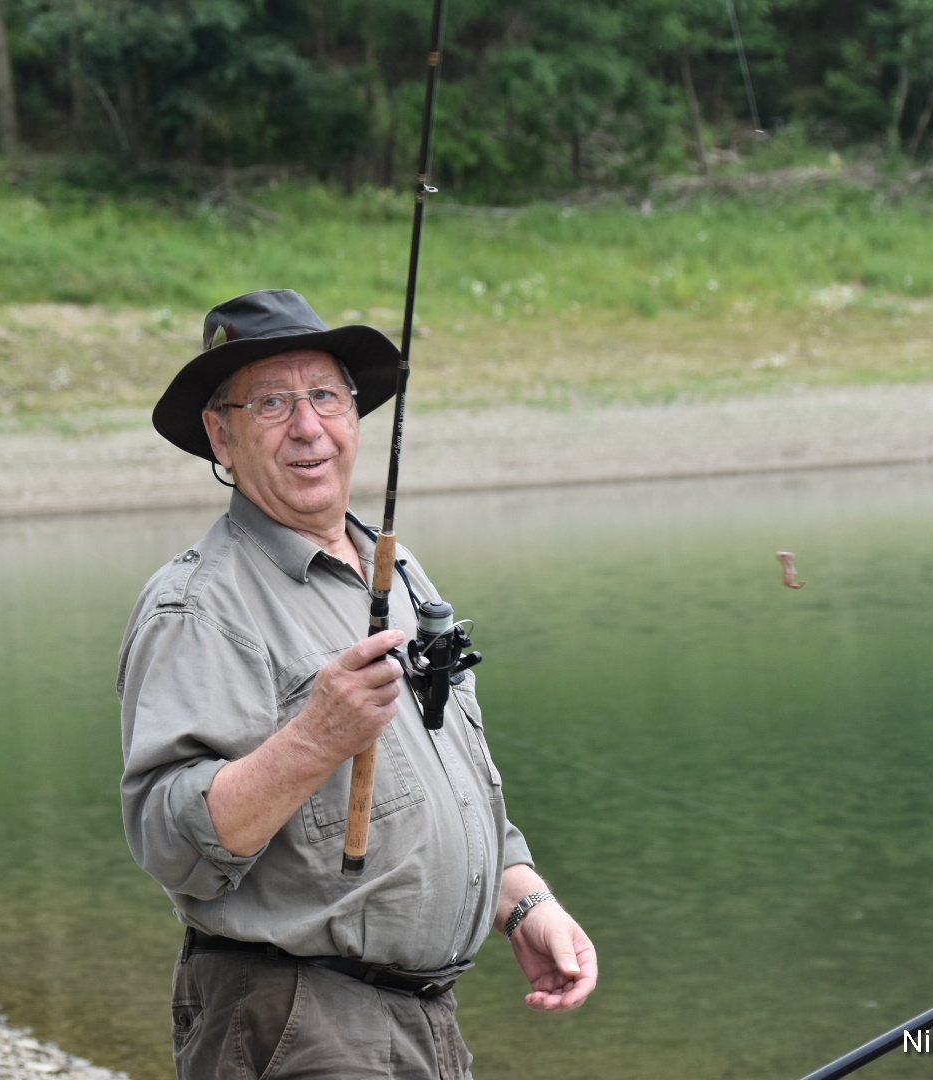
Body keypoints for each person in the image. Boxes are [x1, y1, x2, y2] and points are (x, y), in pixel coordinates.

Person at [118, 289, 597, 1079]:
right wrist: (314, 741)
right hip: (295, 1024)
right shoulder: (199, 605)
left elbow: (447, 783)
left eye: (325, 396)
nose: (308, 426)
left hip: (425, 1021)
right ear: (221, 435)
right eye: (271, 403)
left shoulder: (395, 570)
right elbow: (170, 843)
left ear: (354, 414)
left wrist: (523, 904)